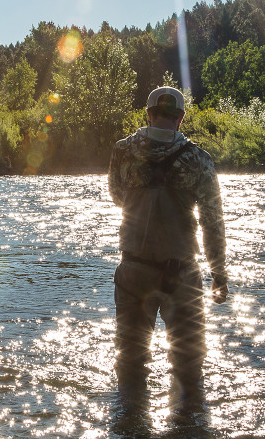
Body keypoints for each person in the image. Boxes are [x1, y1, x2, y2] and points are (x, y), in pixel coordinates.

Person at [108, 86, 229, 411]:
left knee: (131, 366)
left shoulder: (123, 151)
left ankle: (130, 428)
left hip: (134, 269)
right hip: (183, 274)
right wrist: (219, 274)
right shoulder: (199, 159)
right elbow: (212, 221)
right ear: (181, 117)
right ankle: (189, 428)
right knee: (189, 370)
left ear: (148, 114)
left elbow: (118, 196)